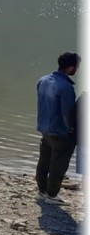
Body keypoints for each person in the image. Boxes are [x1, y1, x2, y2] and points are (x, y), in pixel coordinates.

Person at [35, 52, 79, 205]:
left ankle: (42, 191)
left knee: (44, 161)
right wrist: (71, 129)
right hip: (59, 132)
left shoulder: (43, 80)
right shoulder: (66, 87)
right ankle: (52, 195)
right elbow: (67, 112)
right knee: (58, 164)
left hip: (44, 128)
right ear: (71, 67)